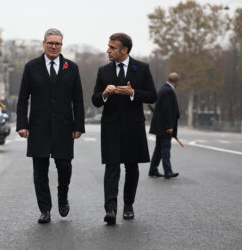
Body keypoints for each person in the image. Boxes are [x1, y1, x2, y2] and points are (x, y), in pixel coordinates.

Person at [16, 28, 85, 224]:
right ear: (44, 44)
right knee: (40, 171)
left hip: (64, 127)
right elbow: (23, 98)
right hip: (38, 127)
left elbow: (77, 99)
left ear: (62, 45)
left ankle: (63, 197)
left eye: (58, 43)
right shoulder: (31, 67)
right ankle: (44, 209)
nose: (54, 46)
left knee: (64, 167)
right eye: (51, 43)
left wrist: (78, 125)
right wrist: (22, 124)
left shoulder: (72, 68)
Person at [92, 33, 157, 225]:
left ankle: (128, 205)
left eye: (112, 47)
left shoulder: (142, 69)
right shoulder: (103, 71)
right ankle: (110, 209)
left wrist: (132, 93)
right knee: (112, 167)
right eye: (108, 46)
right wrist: (104, 93)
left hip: (133, 126)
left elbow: (152, 95)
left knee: (131, 167)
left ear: (124, 50)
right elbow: (95, 100)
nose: (108, 50)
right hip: (111, 126)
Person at [149, 72, 180, 179]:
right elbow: (167, 110)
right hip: (164, 127)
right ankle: (168, 171)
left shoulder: (164, 88)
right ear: (176, 82)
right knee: (165, 148)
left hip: (160, 126)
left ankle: (153, 170)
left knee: (159, 149)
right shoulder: (168, 91)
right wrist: (169, 127)